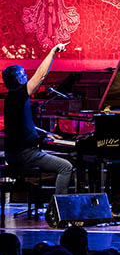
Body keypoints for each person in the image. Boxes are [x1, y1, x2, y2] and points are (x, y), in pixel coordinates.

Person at [2, 43, 74, 197]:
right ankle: (57, 209)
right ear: (17, 79)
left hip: (17, 153)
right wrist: (53, 51)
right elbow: (41, 75)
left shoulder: (12, 98)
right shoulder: (18, 95)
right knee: (66, 167)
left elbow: (21, 126)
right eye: (23, 74)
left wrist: (45, 133)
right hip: (25, 154)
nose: (27, 76)